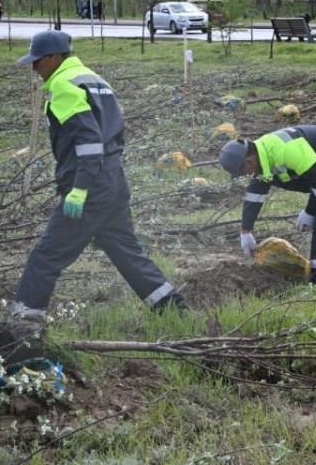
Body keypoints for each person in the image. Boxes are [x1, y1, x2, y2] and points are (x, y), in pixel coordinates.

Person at [10, 30, 186, 323]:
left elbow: (89, 142)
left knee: (46, 255)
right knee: (126, 252)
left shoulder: (65, 85)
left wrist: (80, 189)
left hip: (89, 184)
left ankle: (23, 324)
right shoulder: (94, 79)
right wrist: (112, 189)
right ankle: (173, 309)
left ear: (53, 58)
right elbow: (113, 132)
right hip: (112, 179)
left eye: (37, 61)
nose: (34, 69)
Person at [219, 125, 316, 285]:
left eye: (242, 171)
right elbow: (255, 195)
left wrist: (310, 212)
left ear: (249, 161)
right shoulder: (263, 155)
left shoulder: (286, 149)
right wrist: (246, 231)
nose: (245, 175)